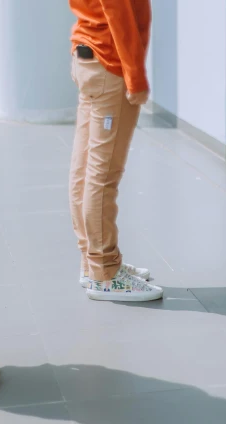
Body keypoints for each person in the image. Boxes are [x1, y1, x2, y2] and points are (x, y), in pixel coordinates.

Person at [69, 0, 163, 302]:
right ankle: (105, 274)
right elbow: (116, 8)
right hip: (110, 63)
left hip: (90, 55)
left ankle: (92, 263)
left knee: (85, 170)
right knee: (102, 174)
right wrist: (135, 76)